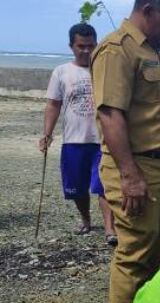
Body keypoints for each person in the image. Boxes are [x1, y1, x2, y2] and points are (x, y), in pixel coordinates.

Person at [91, 0, 160, 303]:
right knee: (133, 254)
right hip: (135, 168)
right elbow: (111, 114)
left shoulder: (152, 53)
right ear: (148, 9)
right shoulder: (117, 50)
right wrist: (129, 175)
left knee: (152, 253)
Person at [38, 23, 116, 245]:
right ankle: (85, 218)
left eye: (91, 46)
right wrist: (47, 134)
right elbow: (53, 104)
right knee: (77, 187)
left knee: (104, 185)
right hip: (74, 139)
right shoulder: (62, 72)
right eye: (81, 46)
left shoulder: (104, 69)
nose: (86, 51)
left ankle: (110, 229)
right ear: (71, 45)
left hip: (104, 140)